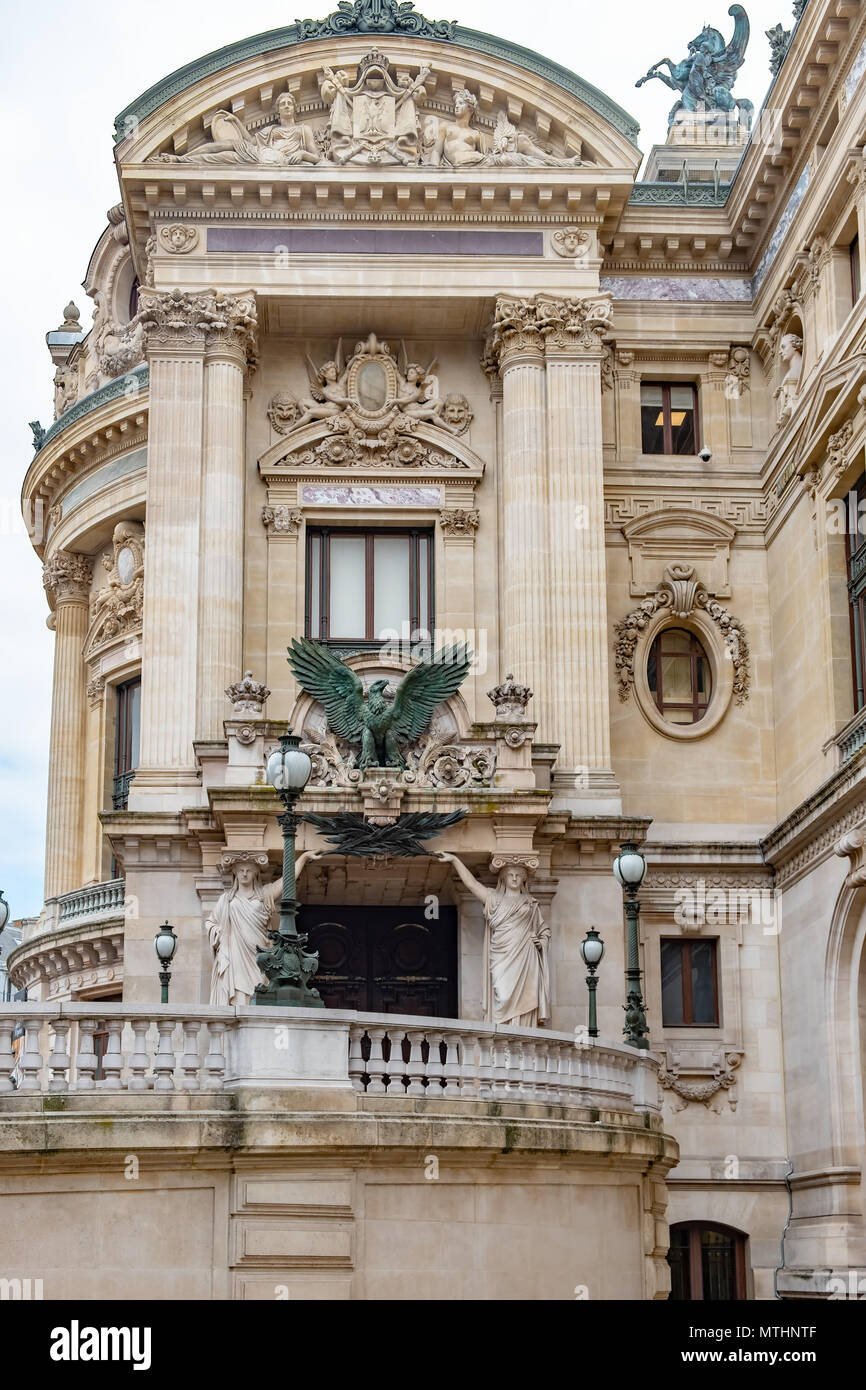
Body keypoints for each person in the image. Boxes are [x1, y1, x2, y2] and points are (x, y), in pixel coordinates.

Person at [438, 853, 551, 1027]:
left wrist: (541, 941)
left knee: (526, 998)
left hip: (525, 956)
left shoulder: (530, 903)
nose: (514, 878)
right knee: (502, 995)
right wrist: (455, 860)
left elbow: (543, 930)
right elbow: (472, 884)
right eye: (510, 875)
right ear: (504, 878)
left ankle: (519, 1044)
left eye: (518, 875)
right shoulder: (493, 899)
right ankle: (502, 1044)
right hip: (501, 955)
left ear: (524, 879)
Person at [206, 851, 321, 1005]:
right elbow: (211, 922)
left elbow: (286, 880)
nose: (244, 874)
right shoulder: (226, 899)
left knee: (259, 988)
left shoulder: (264, 894)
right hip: (236, 952)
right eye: (241, 870)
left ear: (255, 874)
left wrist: (303, 858)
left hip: (259, 953)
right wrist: (219, 932)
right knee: (238, 990)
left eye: (249, 871)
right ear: (235, 873)